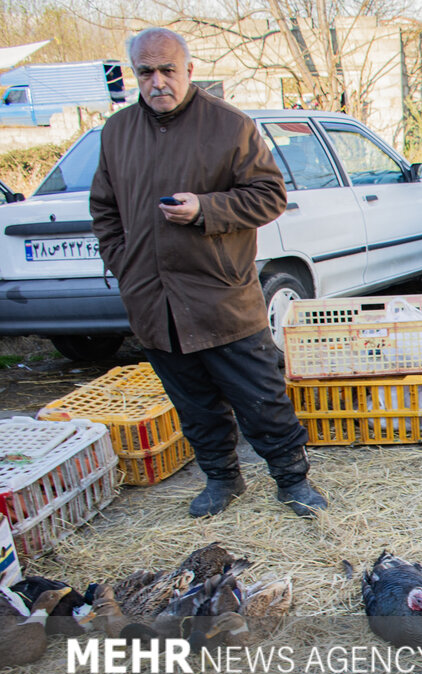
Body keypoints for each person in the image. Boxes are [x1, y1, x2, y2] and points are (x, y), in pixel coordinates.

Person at [90, 27, 327, 519]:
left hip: (220, 296)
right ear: (134, 74)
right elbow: (105, 208)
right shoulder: (116, 132)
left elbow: (269, 196)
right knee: (193, 403)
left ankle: (292, 479)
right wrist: (123, 263)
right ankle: (222, 479)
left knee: (260, 397)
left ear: (189, 70)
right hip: (154, 302)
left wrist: (204, 208)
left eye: (167, 70)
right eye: (145, 72)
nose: (157, 81)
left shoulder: (228, 125)